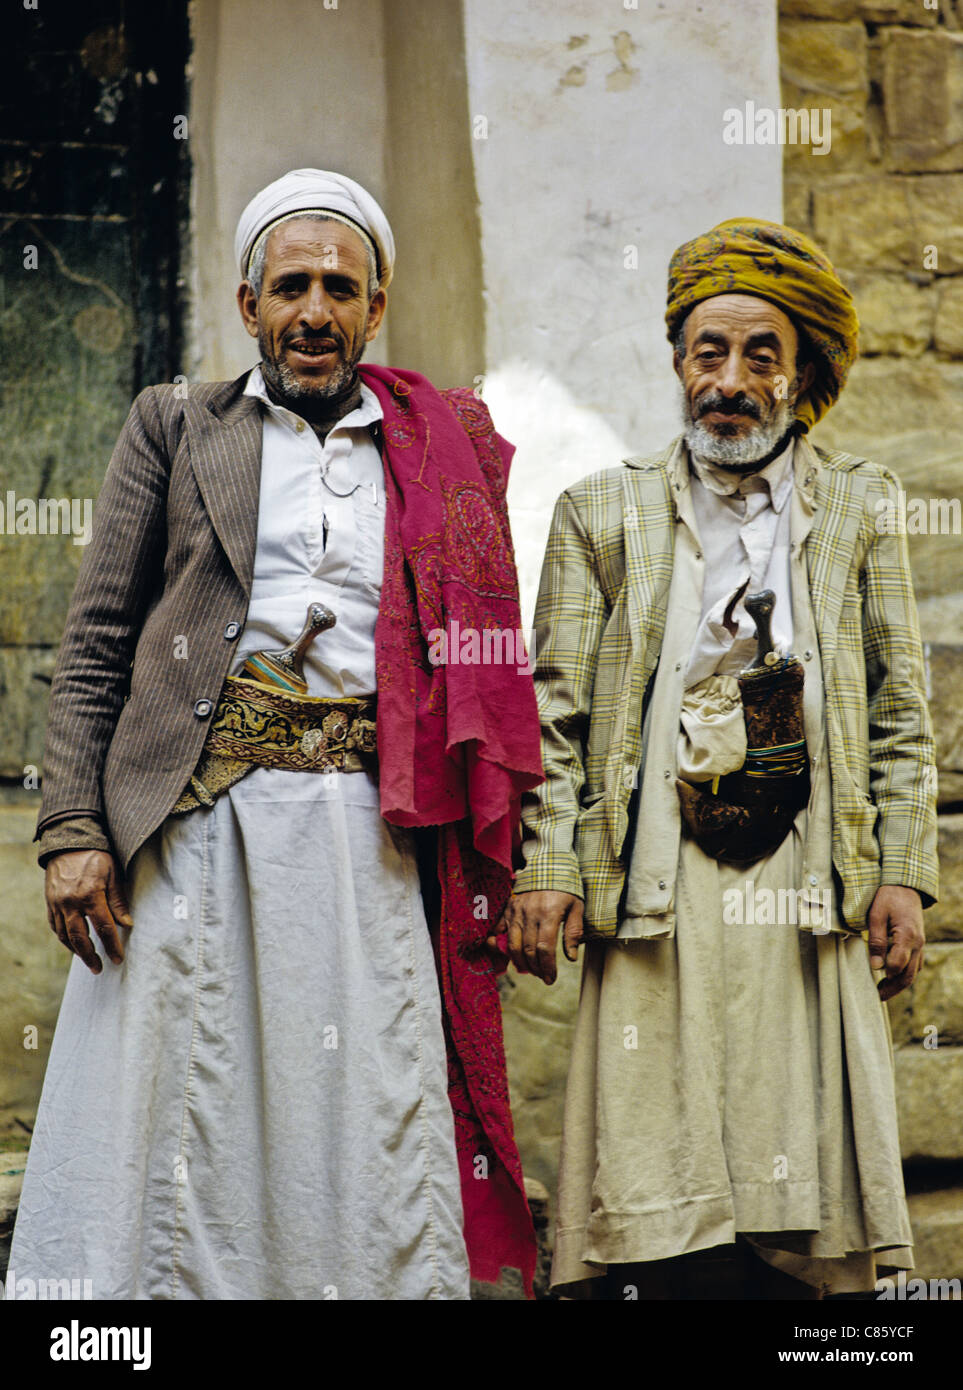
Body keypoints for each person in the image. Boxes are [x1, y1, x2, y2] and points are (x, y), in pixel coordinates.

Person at [10, 168, 542, 1301]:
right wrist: (71, 828)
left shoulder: (435, 446)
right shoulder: (175, 424)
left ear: (375, 303)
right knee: (178, 1099)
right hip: (200, 820)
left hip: (372, 835)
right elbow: (100, 634)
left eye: (338, 287)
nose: (314, 310)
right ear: (248, 305)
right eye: (289, 285)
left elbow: (492, 662)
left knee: (365, 1097)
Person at [504, 219, 938, 1299]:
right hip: (657, 885)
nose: (731, 381)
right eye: (710, 352)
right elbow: (552, 713)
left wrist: (901, 871)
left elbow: (900, 708)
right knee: (657, 1185)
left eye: (760, 356)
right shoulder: (599, 513)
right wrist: (551, 865)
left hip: (809, 887)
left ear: (801, 375)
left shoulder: (860, 506)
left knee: (801, 1209)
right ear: (677, 362)